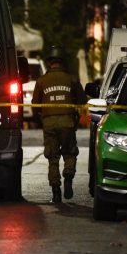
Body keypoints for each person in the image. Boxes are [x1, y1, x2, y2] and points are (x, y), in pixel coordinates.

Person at [31, 46, 87, 203]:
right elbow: (82, 100)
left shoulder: (41, 81)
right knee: (70, 153)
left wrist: (40, 120)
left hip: (49, 123)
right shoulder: (72, 79)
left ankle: (56, 191)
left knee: (53, 157)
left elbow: (35, 105)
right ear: (63, 62)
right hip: (67, 122)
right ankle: (68, 175)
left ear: (49, 62)